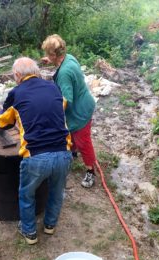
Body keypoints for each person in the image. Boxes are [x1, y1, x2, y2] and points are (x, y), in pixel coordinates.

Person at [0, 57, 72, 245]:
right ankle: (50, 225)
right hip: (64, 152)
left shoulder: (16, 93)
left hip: (36, 156)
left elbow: (6, 120)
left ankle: (29, 232)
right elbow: (62, 104)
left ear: (17, 75)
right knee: (57, 192)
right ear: (36, 71)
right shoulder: (53, 88)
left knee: (27, 194)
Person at [41, 34, 98, 189]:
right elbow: (62, 66)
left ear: (54, 54)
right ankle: (72, 152)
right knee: (69, 132)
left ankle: (90, 171)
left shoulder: (64, 73)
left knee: (83, 141)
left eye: (48, 54)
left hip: (80, 112)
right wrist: (50, 61)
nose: (47, 56)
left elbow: (67, 100)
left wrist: (53, 115)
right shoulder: (69, 58)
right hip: (85, 101)